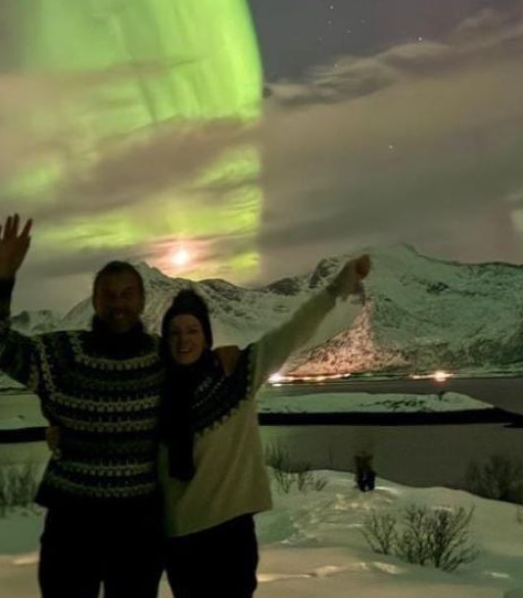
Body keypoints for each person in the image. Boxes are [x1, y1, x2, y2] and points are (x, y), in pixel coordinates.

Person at [0, 213, 164, 598]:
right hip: (73, 528)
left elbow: (210, 385)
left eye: (127, 293)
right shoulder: (62, 355)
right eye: (108, 294)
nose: (118, 303)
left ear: (142, 300)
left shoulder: (164, 359)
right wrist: (3, 276)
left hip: (139, 529)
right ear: (94, 300)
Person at [158, 254, 372, 598]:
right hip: (179, 539)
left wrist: (337, 288)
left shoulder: (236, 374)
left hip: (230, 535)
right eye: (175, 332)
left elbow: (292, 332)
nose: (184, 340)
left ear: (206, 335)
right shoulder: (156, 389)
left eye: (192, 330)